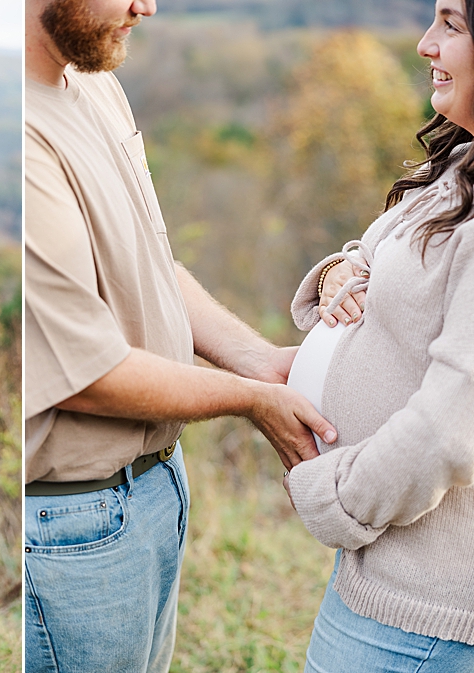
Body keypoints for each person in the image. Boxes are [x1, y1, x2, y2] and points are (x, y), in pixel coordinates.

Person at [23, 0, 338, 671]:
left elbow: (150, 261)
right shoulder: (20, 139)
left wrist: (258, 361)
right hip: (75, 523)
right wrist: (250, 399)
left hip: (155, 488)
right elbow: (90, 373)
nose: (148, 6)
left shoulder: (96, 82)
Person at [283, 1, 474, 670]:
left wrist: (332, 496)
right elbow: (378, 256)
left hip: (425, 600)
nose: (426, 44)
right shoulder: (461, 163)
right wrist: (342, 270)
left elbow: (451, 425)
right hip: (387, 570)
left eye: (451, 25)